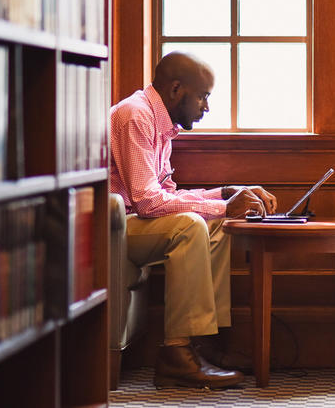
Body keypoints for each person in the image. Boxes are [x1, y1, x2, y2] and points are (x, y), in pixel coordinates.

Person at [109, 51, 277, 389]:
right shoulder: (135, 116)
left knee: (215, 225)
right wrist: (225, 206)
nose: (206, 107)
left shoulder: (161, 124)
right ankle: (176, 354)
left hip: (134, 222)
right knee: (191, 225)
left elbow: (166, 193)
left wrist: (224, 195)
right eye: (203, 96)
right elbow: (147, 202)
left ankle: (204, 343)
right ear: (175, 89)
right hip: (114, 228)